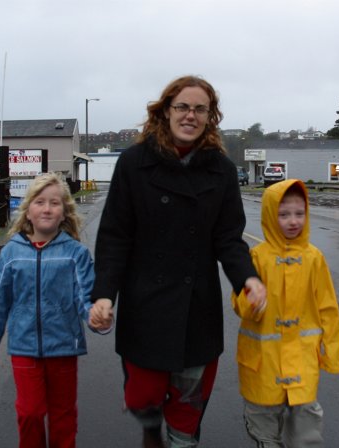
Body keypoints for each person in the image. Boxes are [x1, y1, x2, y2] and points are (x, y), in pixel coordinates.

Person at [88, 75, 266, 448]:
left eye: (200, 109)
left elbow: (228, 239)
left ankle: (182, 439)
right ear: (165, 111)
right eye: (183, 107)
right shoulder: (134, 164)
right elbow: (114, 237)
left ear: (210, 117)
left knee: (188, 407)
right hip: (145, 306)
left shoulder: (220, 170)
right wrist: (104, 294)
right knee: (143, 399)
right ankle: (151, 430)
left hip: (196, 309)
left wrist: (246, 278)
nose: (191, 115)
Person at [0, 172, 96, 448]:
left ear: (64, 211)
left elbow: (85, 297)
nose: (47, 208)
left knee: (63, 414)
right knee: (30, 413)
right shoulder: (11, 253)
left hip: (65, 347)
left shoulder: (75, 253)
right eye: (40, 202)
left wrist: (97, 318)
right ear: (27, 210)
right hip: (24, 346)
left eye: (55, 203)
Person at [231, 179, 339, 448]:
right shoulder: (257, 257)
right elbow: (239, 303)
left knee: (306, 430)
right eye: (283, 214)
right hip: (262, 364)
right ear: (270, 215)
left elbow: (328, 307)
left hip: (302, 360)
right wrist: (253, 301)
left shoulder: (314, 258)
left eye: (299, 213)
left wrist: (332, 353)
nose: (293, 221)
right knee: (264, 428)